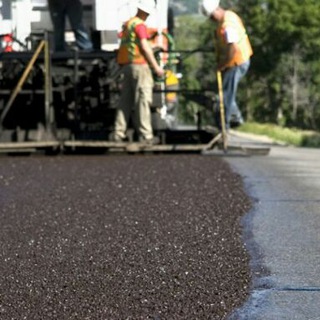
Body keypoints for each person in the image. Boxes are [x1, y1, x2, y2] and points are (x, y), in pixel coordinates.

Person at [111, 0, 165, 144]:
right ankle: (146, 136)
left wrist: (152, 45)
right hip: (140, 67)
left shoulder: (129, 24)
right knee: (142, 100)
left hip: (128, 67)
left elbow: (134, 45)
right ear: (145, 11)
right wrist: (156, 67)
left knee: (125, 101)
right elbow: (144, 48)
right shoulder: (140, 25)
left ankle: (118, 133)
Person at [201, 0, 253, 129]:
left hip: (236, 61)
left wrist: (223, 64)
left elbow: (233, 47)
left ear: (217, 10)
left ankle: (225, 124)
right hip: (238, 60)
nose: (212, 20)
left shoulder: (227, 25)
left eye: (212, 16)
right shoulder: (230, 15)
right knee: (227, 92)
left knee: (226, 94)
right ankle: (235, 117)